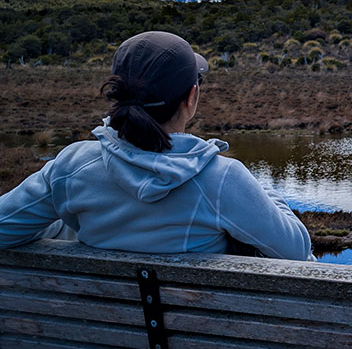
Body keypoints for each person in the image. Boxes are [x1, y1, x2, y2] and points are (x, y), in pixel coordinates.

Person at [0, 31, 314, 260]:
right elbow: (296, 251)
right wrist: (263, 193)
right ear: (191, 98)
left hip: (99, 342)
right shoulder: (221, 178)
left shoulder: (72, 167)